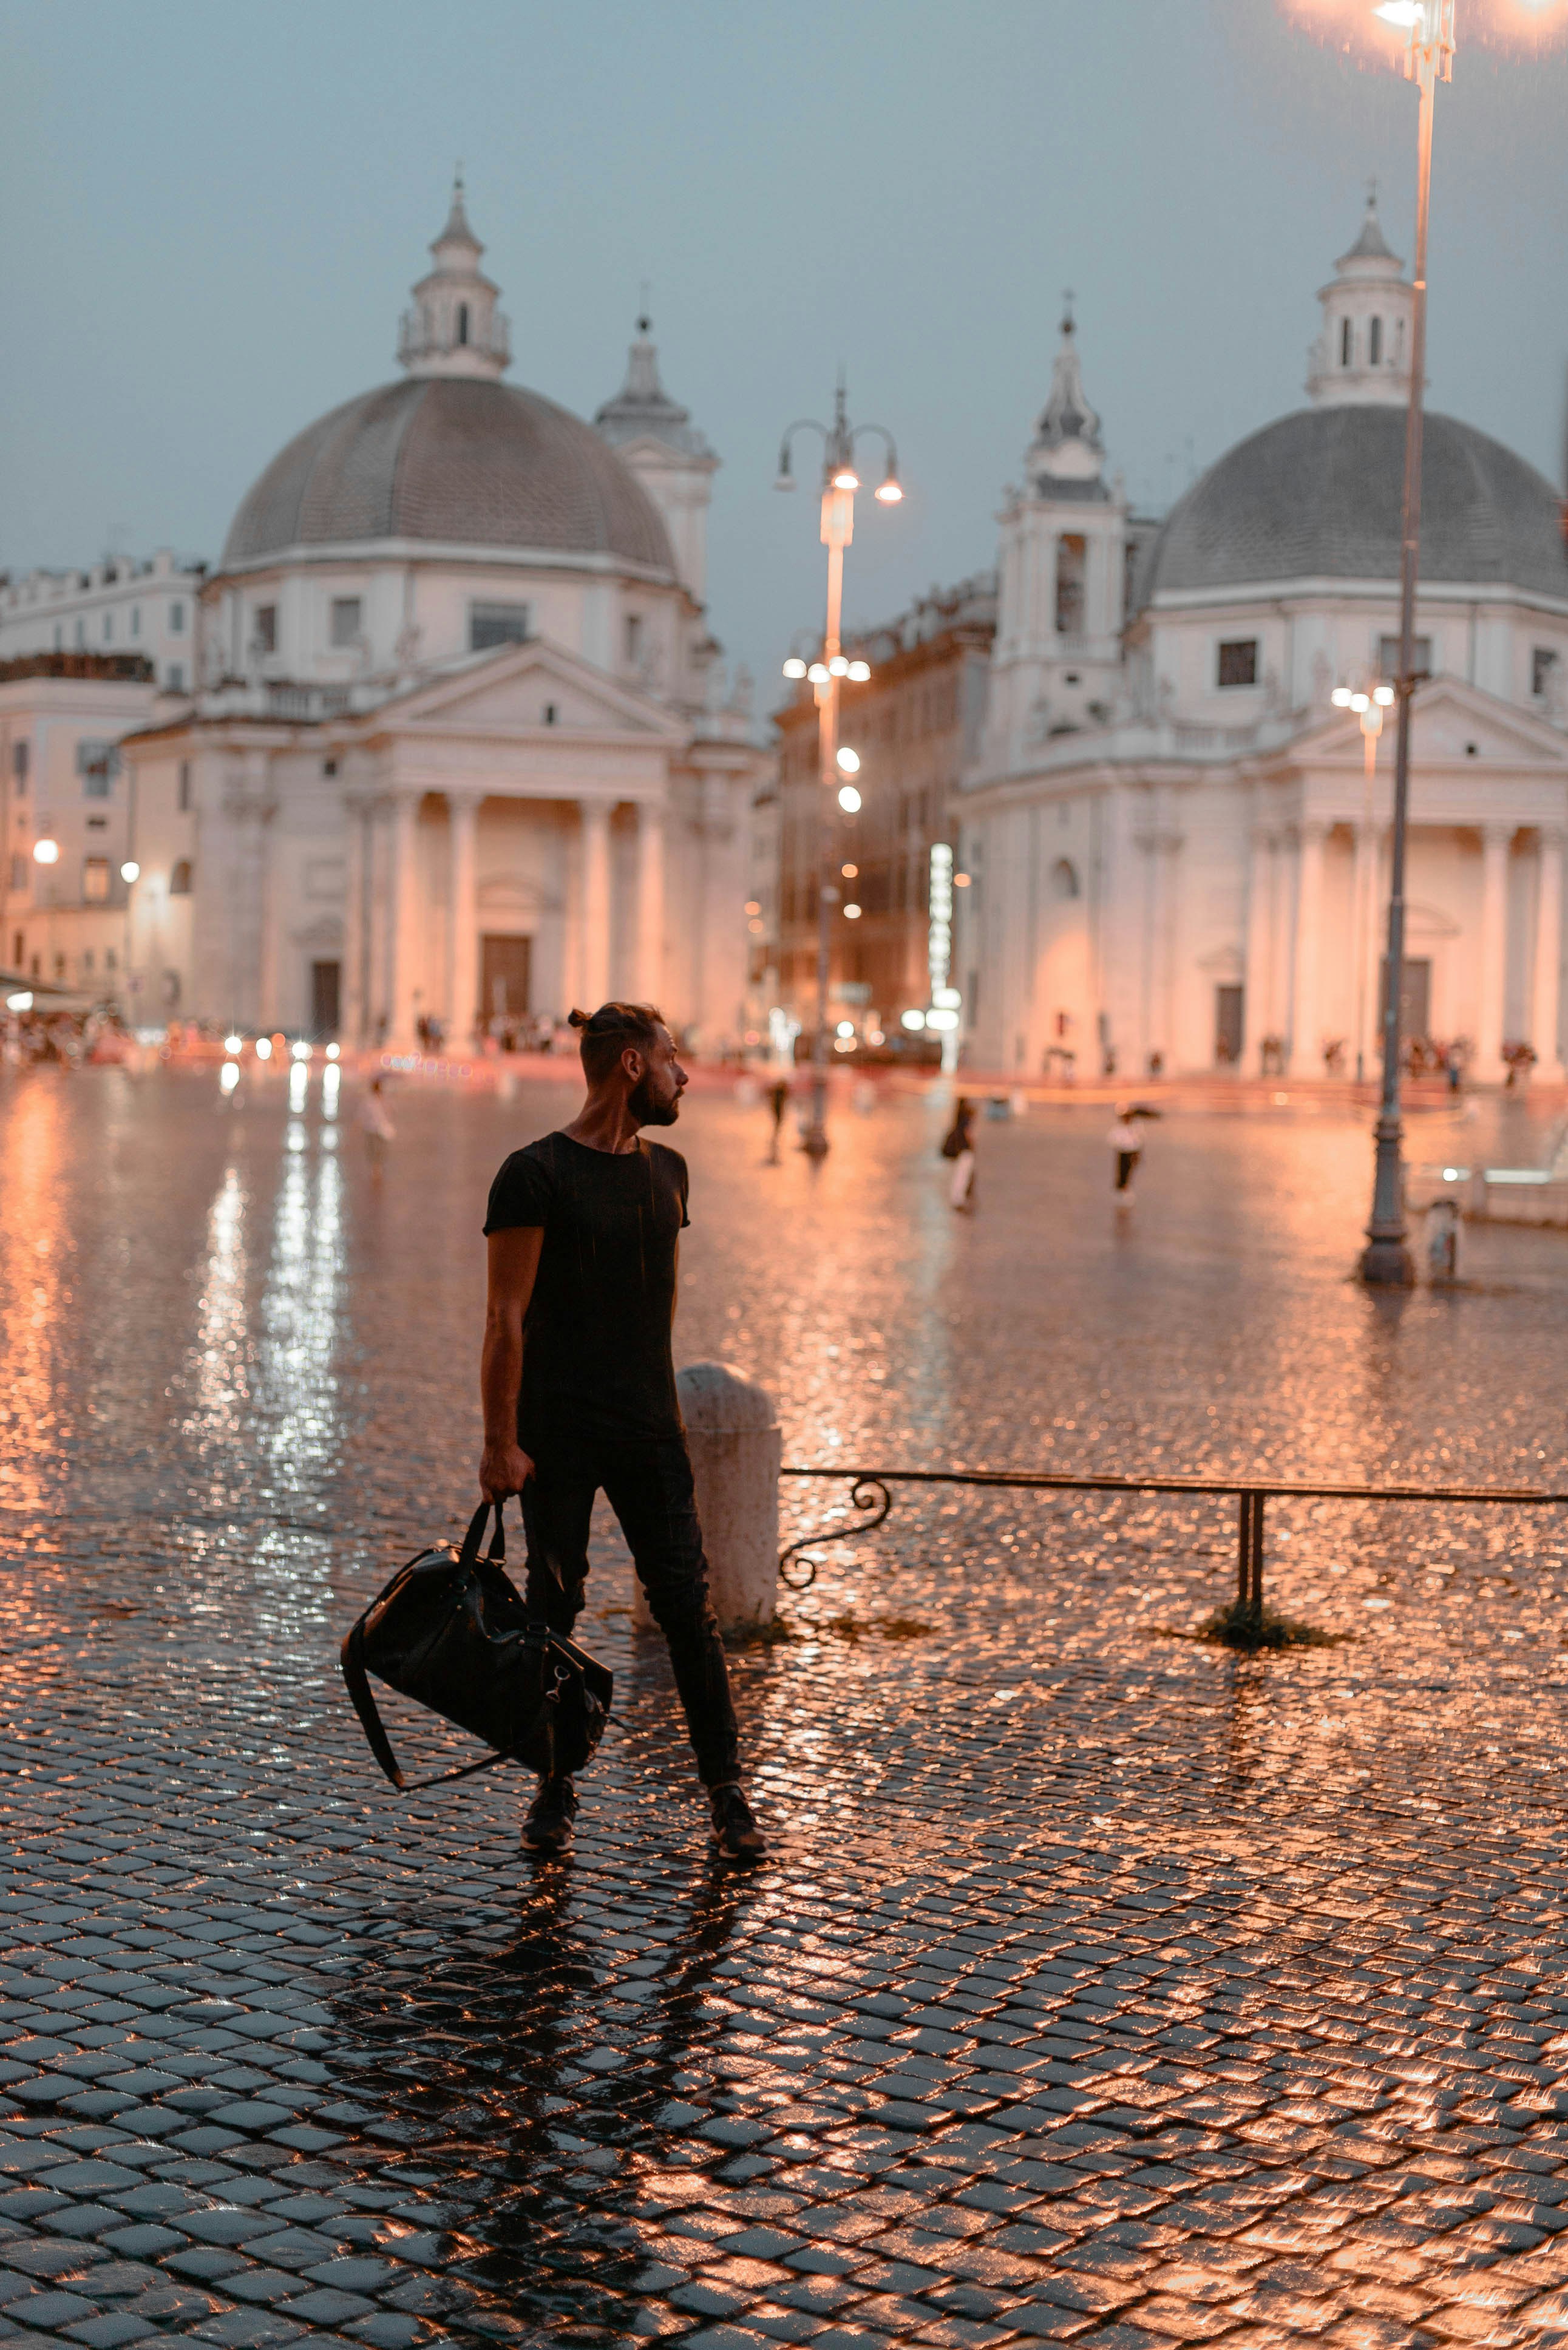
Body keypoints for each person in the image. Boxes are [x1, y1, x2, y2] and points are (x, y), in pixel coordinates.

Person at [479, 1001, 764, 1863]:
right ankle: (554, 1786)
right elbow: (504, 1318)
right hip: (555, 1434)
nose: (687, 1076)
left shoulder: (671, 1173)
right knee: (554, 1608)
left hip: (650, 1430)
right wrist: (500, 1441)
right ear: (632, 1065)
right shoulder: (531, 1174)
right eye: (673, 1059)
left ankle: (726, 1792)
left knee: (687, 1608)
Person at [942, 1096, 976, 1212]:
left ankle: (956, 1198)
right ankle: (959, 1199)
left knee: (958, 1176)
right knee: (962, 1176)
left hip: (960, 1152)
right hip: (965, 1152)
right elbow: (969, 1136)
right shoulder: (965, 1121)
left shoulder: (957, 1120)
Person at [359, 1076, 395, 1178]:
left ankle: (376, 1166)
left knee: (373, 1148)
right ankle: (377, 1166)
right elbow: (391, 1112)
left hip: (373, 1128)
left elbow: (362, 1114)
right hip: (377, 1128)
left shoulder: (370, 1100)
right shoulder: (382, 1100)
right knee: (379, 1148)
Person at [1108, 1106, 1141, 1201]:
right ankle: (1121, 1189)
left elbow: (1139, 1141)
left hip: (1132, 1152)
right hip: (1123, 1152)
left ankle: (1126, 1189)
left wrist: (1137, 1153)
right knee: (1122, 1171)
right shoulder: (1118, 1129)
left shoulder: (1135, 1128)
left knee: (1130, 1171)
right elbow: (1112, 1140)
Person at [766, 1075, 790, 1164]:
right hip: (778, 1110)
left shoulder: (780, 1092)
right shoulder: (779, 1092)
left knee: (778, 1125)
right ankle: (775, 1138)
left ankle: (776, 1138)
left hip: (778, 1110)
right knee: (777, 1124)